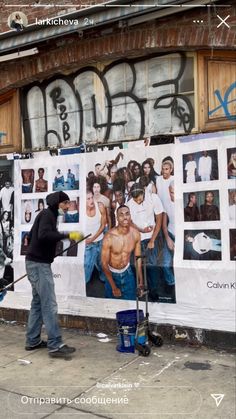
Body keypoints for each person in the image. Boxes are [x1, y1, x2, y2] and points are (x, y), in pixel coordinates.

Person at [25, 190, 83, 358]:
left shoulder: (47, 215)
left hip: (36, 263)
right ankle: (55, 344)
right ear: (58, 203)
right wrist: (66, 236)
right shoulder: (47, 215)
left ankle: (32, 340)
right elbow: (43, 235)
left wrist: (47, 251)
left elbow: (32, 235)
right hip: (39, 266)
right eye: (65, 203)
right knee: (49, 304)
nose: (67, 206)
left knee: (37, 303)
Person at [101, 205, 143, 300]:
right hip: (112, 275)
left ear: (130, 216)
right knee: (111, 307)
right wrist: (113, 287)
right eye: (121, 214)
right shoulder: (109, 237)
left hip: (128, 274)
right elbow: (104, 264)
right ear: (117, 218)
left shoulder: (136, 234)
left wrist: (141, 281)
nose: (125, 217)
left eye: (127, 214)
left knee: (131, 304)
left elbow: (138, 258)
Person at [84, 190, 107, 285]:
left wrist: (92, 239)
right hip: (88, 245)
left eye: (92, 197)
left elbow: (103, 225)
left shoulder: (100, 206)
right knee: (87, 267)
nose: (91, 200)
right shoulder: (81, 210)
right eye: (88, 199)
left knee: (102, 264)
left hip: (99, 241)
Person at [162, 181, 175, 290]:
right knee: (165, 263)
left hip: (183, 236)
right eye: (171, 192)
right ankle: (171, 283)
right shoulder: (166, 203)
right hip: (170, 233)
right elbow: (164, 224)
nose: (173, 195)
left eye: (175, 192)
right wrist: (168, 238)